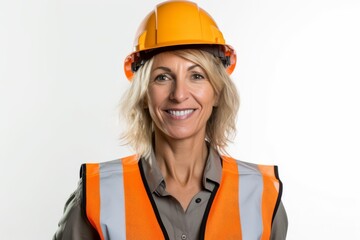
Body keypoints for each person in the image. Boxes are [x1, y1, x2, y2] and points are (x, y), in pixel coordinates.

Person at [53, 1, 288, 239]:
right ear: (144, 94)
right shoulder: (98, 195)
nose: (179, 95)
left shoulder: (261, 196)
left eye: (197, 75)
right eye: (162, 77)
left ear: (216, 92)